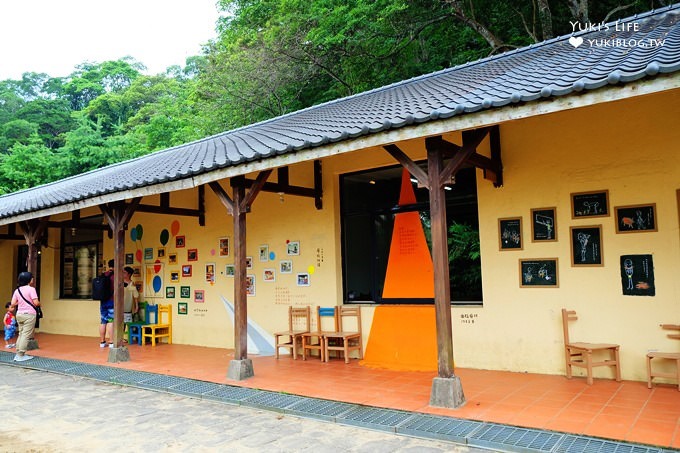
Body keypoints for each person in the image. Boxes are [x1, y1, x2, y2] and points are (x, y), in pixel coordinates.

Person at [10, 271, 41, 361]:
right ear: (29, 280)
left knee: (21, 333)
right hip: (29, 315)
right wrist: (40, 304)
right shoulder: (31, 289)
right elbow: (36, 302)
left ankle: (18, 353)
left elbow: (12, 304)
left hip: (19, 314)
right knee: (26, 335)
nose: (33, 279)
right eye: (32, 278)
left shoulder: (17, 290)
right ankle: (21, 355)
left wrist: (20, 302)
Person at [99, 259, 115, 348]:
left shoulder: (104, 274)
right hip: (111, 300)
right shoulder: (115, 276)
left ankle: (102, 342)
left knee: (103, 321)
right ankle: (111, 342)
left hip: (103, 301)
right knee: (111, 320)